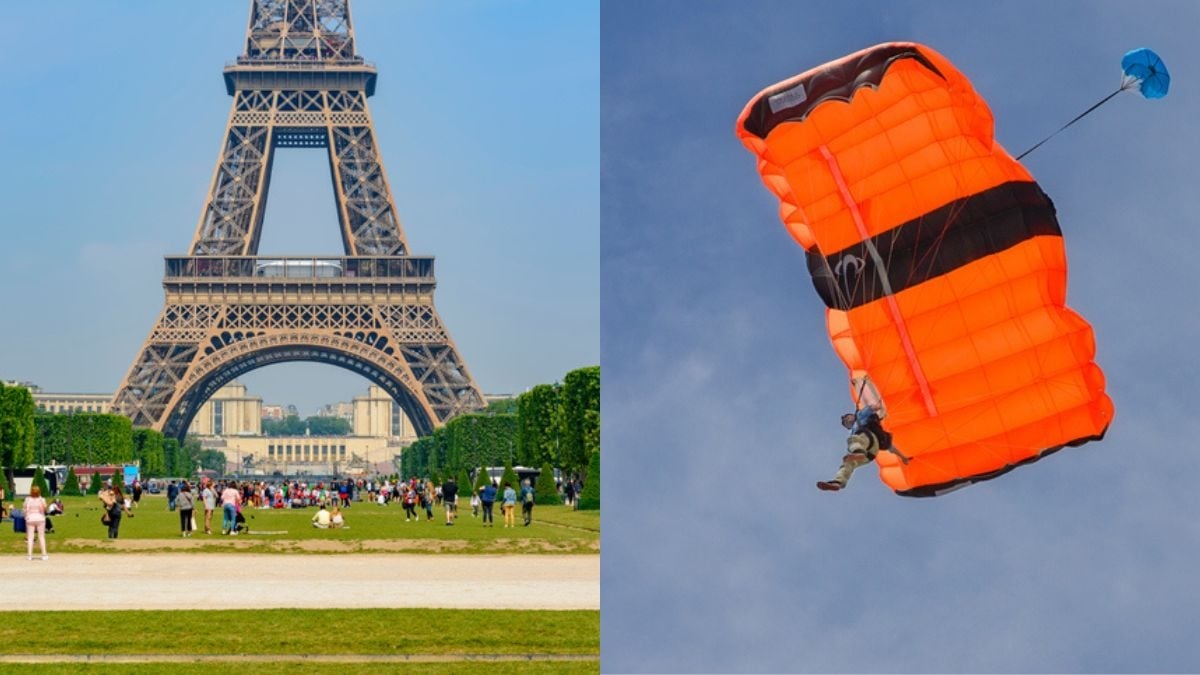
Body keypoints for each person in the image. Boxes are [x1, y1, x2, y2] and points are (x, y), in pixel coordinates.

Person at [817, 406, 909, 492]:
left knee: (854, 440)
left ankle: (858, 453)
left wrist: (903, 457)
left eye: (847, 418)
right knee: (848, 463)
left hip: (870, 437)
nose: (847, 420)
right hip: (870, 453)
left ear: (852, 415)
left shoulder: (860, 415)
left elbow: (875, 406)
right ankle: (838, 482)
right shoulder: (852, 433)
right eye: (845, 422)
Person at [23, 485, 48, 561]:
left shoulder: (27, 499)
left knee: (30, 537)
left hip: (30, 518)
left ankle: (29, 555)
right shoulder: (42, 499)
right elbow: (45, 508)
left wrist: (26, 516)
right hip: (40, 518)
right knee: (41, 537)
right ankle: (44, 555)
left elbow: (24, 509)